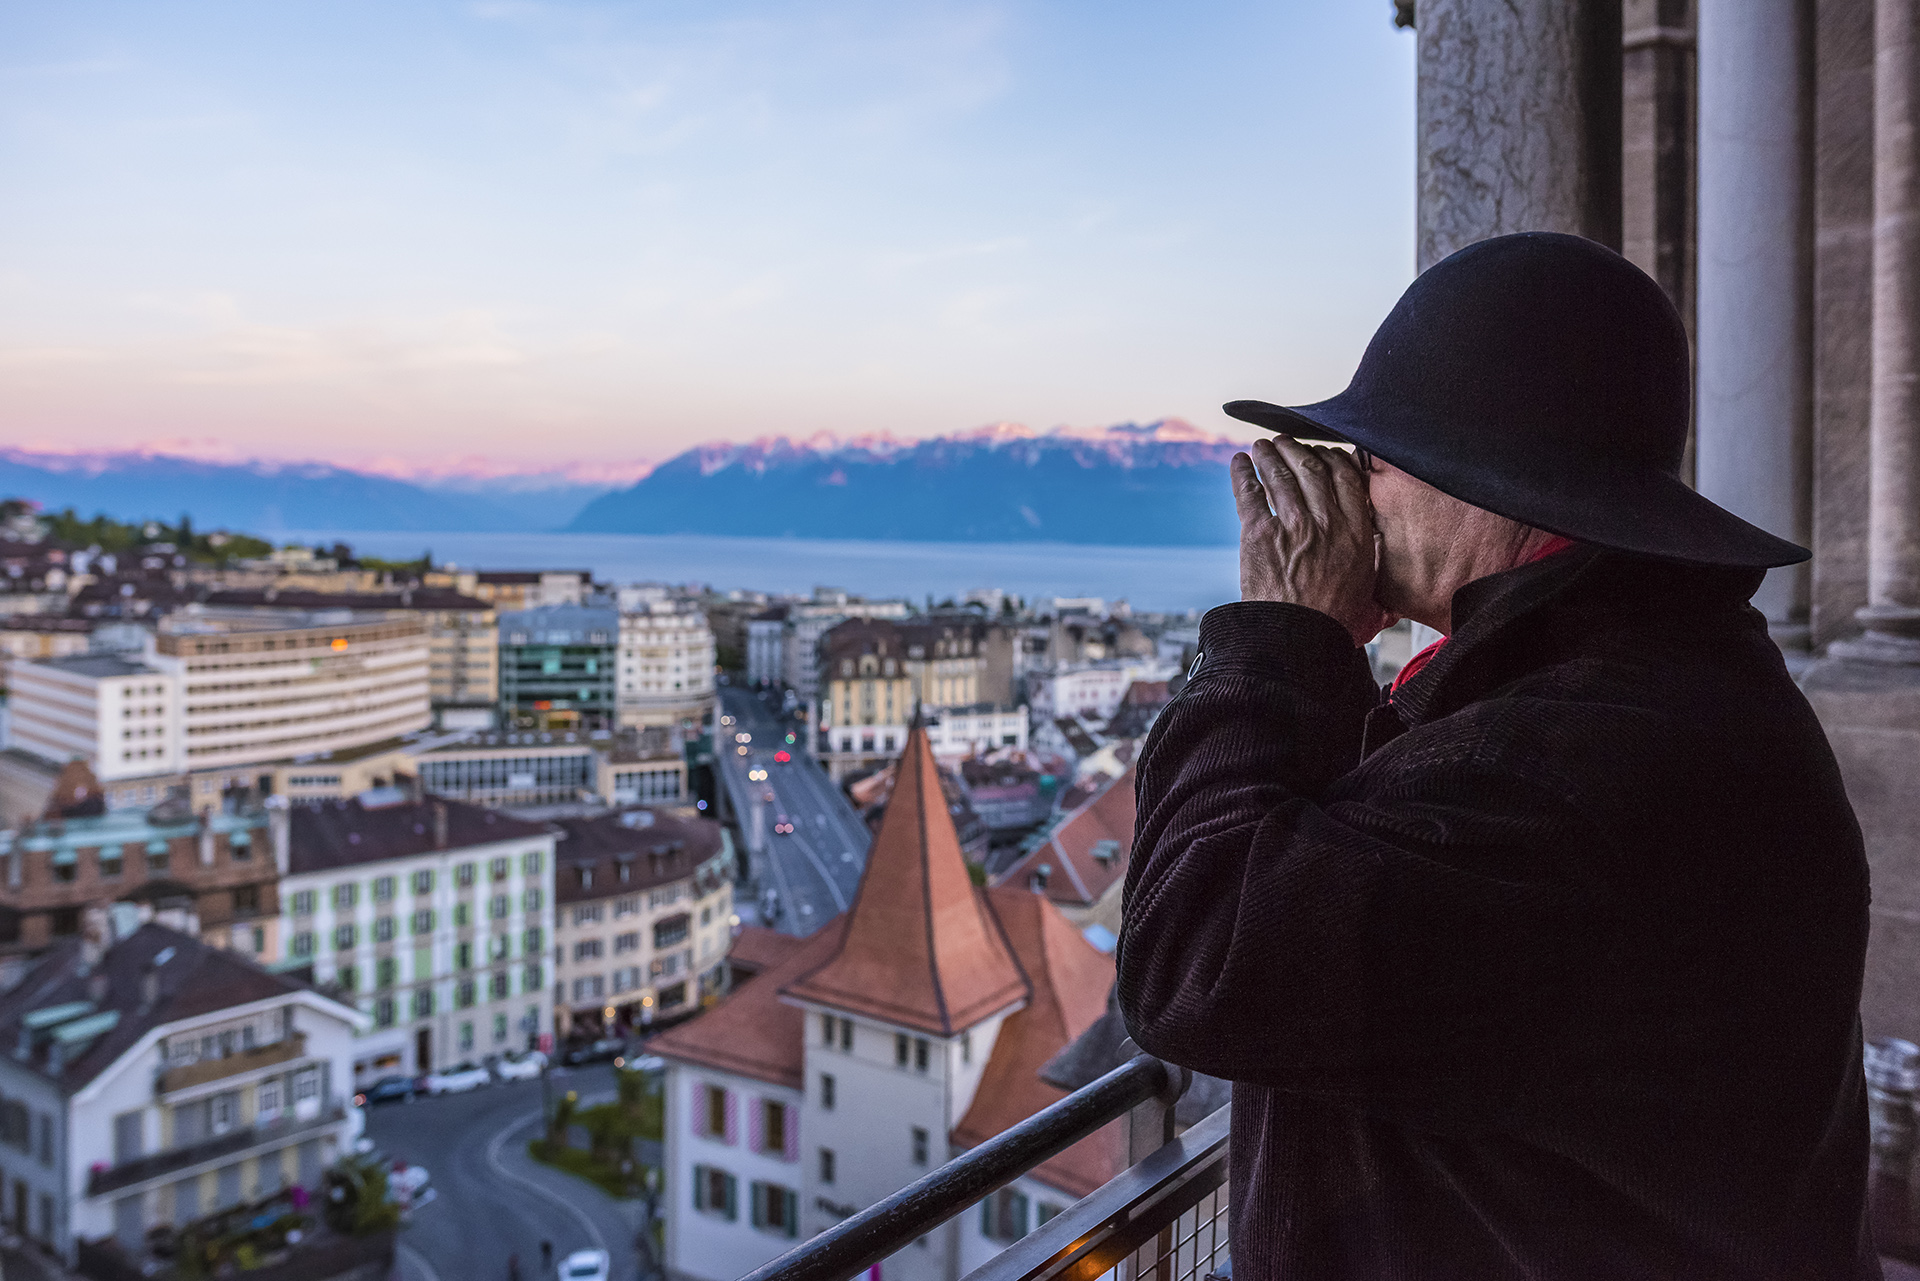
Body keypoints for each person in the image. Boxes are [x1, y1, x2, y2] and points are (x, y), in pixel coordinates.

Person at [1117, 232, 1875, 1279]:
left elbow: (1195, 964)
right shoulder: (1637, 686)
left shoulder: (1580, 759)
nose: (1355, 498)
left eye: (1372, 462)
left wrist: (1282, 632)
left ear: (1478, 480)